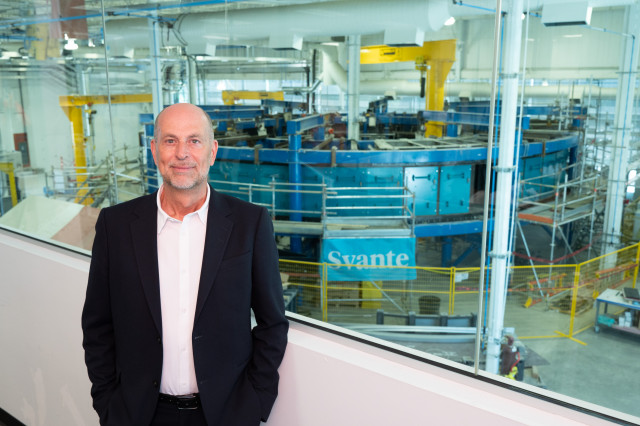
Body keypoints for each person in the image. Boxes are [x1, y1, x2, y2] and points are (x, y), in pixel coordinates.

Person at [81, 103, 288, 426]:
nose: (182, 153)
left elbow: (272, 322)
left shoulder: (250, 224)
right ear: (153, 150)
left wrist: (254, 402)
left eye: (194, 140)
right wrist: (108, 402)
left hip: (224, 414)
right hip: (138, 414)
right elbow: (97, 323)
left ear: (212, 151)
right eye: (170, 140)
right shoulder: (115, 225)